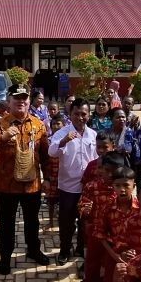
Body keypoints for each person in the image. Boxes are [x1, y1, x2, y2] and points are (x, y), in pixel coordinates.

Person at [0, 85, 50, 273]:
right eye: (17, 98)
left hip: (32, 185)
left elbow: (45, 155)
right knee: (7, 224)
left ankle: (33, 250)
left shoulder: (39, 125)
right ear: (9, 101)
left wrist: (47, 178)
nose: (21, 101)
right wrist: (4, 137)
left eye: (24, 98)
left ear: (29, 101)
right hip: (7, 187)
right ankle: (5, 257)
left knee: (33, 222)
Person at [49, 98, 98, 265]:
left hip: (88, 188)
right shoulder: (62, 133)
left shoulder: (93, 134)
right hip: (68, 187)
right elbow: (52, 152)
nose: (80, 117)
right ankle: (64, 250)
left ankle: (80, 247)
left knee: (85, 220)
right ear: (70, 114)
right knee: (66, 222)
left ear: (89, 115)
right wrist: (64, 141)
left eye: (83, 114)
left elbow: (97, 158)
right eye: (76, 114)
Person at [80, 152, 126, 282]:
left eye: (112, 171)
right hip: (95, 233)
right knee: (92, 265)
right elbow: (82, 204)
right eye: (105, 170)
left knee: (112, 267)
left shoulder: (123, 190)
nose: (108, 174)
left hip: (116, 237)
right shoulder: (92, 186)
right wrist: (85, 211)